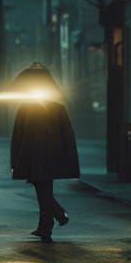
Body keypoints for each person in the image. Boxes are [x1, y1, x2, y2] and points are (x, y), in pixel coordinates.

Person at [8, 62, 80, 243]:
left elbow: (18, 137)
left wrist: (16, 161)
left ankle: (56, 218)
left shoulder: (28, 109)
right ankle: (46, 226)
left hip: (37, 157)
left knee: (43, 190)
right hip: (46, 156)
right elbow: (67, 136)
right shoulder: (55, 108)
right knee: (43, 189)